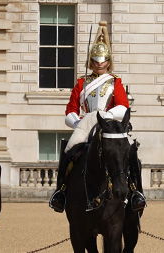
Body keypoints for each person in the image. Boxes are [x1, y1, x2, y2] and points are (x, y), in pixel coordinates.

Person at [49, 21, 146, 213]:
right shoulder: (81, 83)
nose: (99, 64)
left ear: (108, 62)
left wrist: (106, 116)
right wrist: (78, 122)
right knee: (68, 150)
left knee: (130, 150)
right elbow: (70, 109)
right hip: (86, 125)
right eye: (95, 60)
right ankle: (60, 191)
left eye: (102, 61)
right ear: (91, 62)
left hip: (109, 125)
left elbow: (123, 106)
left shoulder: (114, 82)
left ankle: (136, 192)